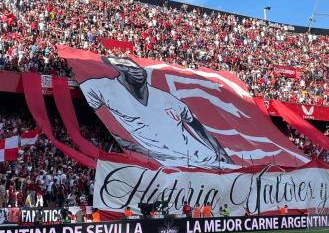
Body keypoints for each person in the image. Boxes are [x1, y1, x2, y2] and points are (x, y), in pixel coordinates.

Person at [80, 56, 233, 169]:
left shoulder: (167, 98)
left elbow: (198, 127)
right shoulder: (101, 87)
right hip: (172, 164)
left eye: (135, 67)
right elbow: (87, 118)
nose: (134, 71)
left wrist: (221, 153)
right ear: (118, 70)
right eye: (125, 67)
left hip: (206, 157)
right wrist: (132, 146)